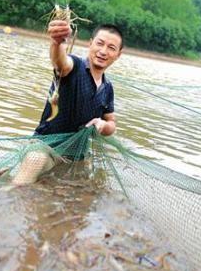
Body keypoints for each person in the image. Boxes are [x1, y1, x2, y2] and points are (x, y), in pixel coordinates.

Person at [10, 20, 124, 185]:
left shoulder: (107, 88)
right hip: (47, 147)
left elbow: (111, 123)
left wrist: (102, 125)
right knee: (34, 160)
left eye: (111, 48)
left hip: (77, 155)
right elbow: (60, 62)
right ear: (90, 44)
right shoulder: (74, 66)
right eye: (100, 44)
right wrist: (57, 42)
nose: (103, 51)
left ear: (118, 54)